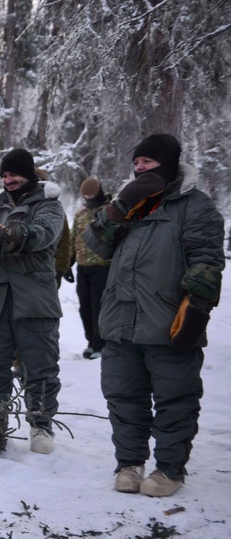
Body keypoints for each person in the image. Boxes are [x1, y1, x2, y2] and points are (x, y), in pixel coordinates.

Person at [84, 134, 224, 497]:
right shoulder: (130, 204)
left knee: (175, 398)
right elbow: (96, 244)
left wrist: (196, 310)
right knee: (122, 395)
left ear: (170, 165)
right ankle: (129, 462)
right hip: (120, 320)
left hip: (166, 321)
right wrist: (120, 206)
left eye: (149, 162)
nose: (140, 167)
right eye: (138, 162)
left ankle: (169, 470)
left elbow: (206, 261)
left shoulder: (195, 206)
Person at [0, 148, 64, 455]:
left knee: (40, 366)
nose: (9, 180)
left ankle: (41, 424)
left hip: (35, 298)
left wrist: (1, 237)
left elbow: (42, 235)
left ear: (29, 174)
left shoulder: (49, 205)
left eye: (15, 174)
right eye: (5, 175)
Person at [71, 178, 111, 359]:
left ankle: (100, 344)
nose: (88, 198)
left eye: (91, 194)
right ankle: (90, 342)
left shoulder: (110, 210)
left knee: (99, 307)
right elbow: (73, 237)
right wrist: (68, 263)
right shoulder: (80, 213)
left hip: (103, 267)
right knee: (84, 307)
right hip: (83, 267)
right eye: (85, 195)